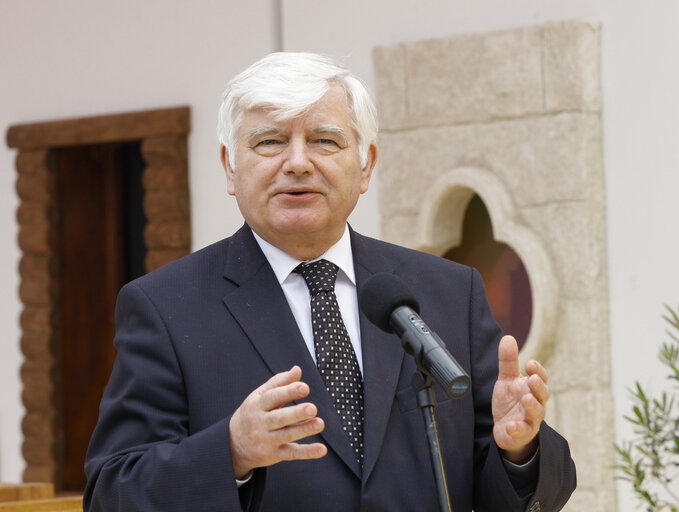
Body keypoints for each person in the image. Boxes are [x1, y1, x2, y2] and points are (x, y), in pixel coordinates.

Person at [84, 52, 576, 511]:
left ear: (366, 165)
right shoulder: (165, 306)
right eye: (270, 142)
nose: (297, 162)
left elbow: (512, 488)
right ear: (230, 167)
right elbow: (112, 491)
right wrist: (231, 451)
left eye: (324, 140)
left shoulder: (447, 293)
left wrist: (520, 449)